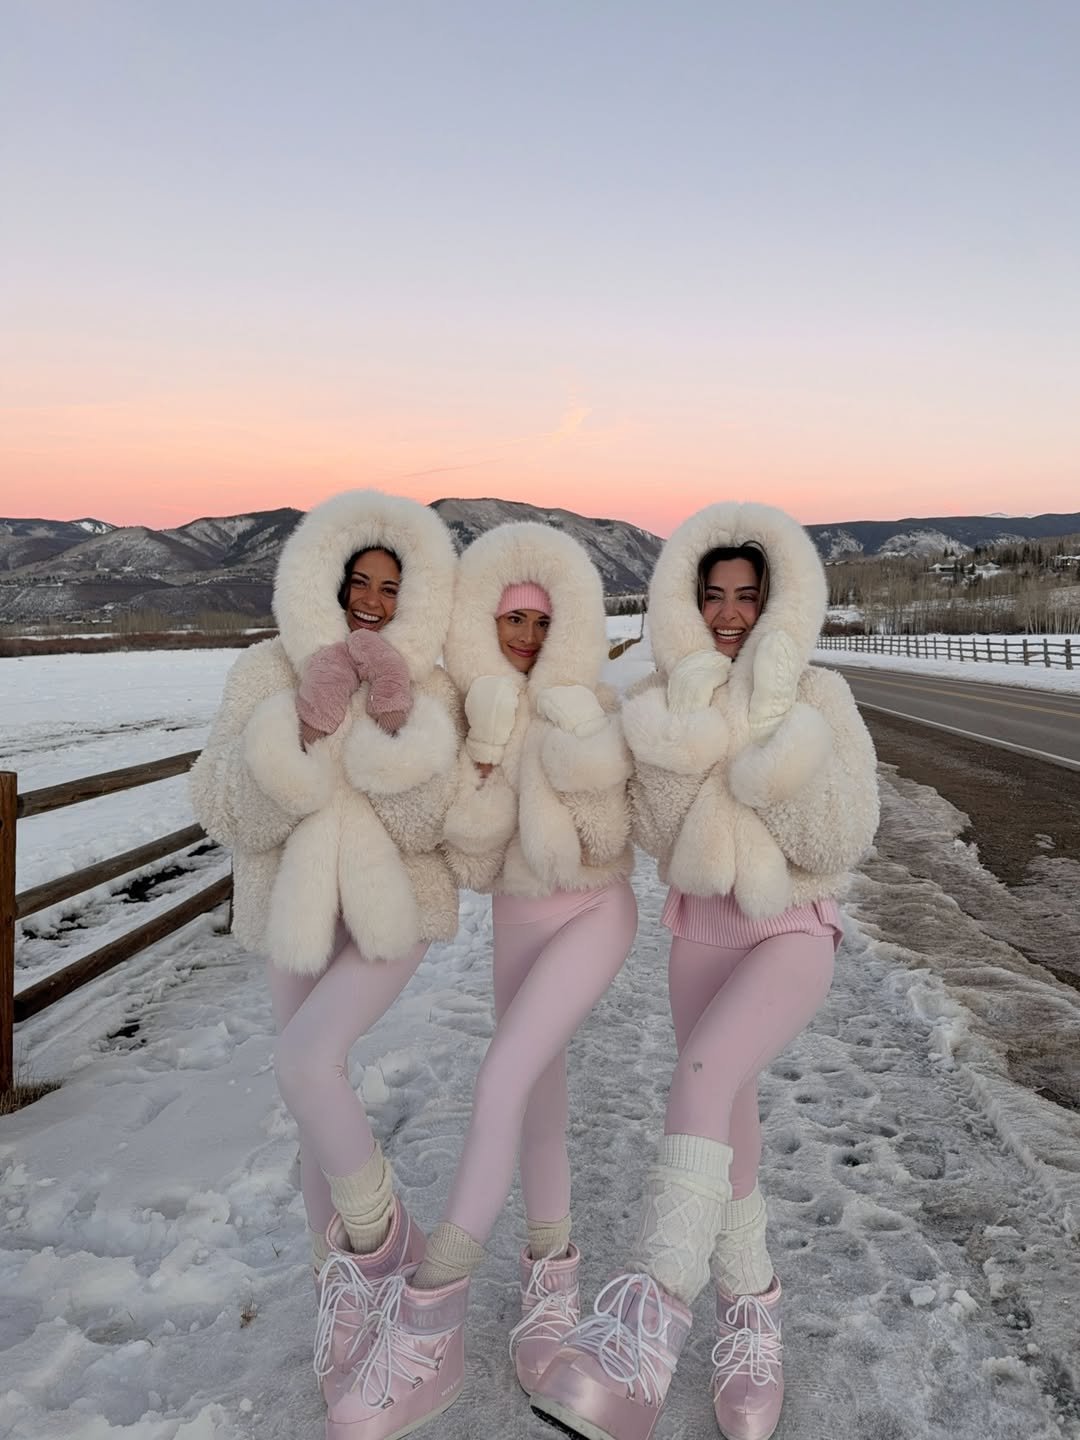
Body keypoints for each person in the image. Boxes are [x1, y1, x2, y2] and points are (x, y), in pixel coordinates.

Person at [530, 501, 880, 1440]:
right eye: (713, 596)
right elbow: (659, 834)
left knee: (699, 1074)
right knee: (727, 1119)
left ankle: (648, 1320)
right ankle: (752, 1319)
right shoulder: (663, 698)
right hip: (702, 933)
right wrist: (686, 728)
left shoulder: (822, 697)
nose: (730, 614)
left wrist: (769, 742)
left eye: (748, 596)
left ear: (777, 604)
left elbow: (840, 835)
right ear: (688, 605)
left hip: (790, 928)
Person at [321, 521, 639, 1439]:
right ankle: (552, 1282)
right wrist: (489, 757)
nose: (528, 637)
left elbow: (611, 833)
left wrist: (568, 745)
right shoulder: (470, 709)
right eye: (512, 620)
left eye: (543, 622)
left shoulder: (591, 701)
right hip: (516, 921)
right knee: (537, 1101)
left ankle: (432, 1313)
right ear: (485, 623)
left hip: (593, 911)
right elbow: (463, 848)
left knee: (500, 1080)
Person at [188, 490, 463, 1407]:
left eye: (392, 587)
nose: (373, 602)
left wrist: (391, 718)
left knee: (306, 1063)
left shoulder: (429, 682)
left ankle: (385, 1244)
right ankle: (338, 1293)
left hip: (395, 911)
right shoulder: (265, 668)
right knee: (315, 1105)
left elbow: (431, 825)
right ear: (329, 581)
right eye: (360, 582)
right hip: (292, 912)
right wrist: (299, 733)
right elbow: (223, 808)